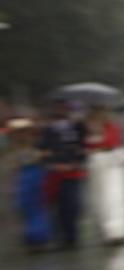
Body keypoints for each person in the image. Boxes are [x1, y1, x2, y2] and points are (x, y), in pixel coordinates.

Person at [39, 99, 87, 248]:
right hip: (55, 173)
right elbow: (43, 150)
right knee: (58, 207)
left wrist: (76, 162)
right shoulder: (49, 130)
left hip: (72, 172)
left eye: (64, 109)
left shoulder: (77, 127)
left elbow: (83, 147)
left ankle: (72, 235)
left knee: (73, 205)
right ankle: (62, 237)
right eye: (58, 108)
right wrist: (52, 163)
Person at [85, 105, 124, 244]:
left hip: (111, 164)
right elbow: (87, 146)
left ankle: (118, 230)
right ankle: (106, 230)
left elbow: (112, 143)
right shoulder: (88, 130)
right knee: (100, 198)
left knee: (115, 197)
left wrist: (99, 139)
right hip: (96, 165)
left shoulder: (111, 127)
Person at [7, 118, 50, 249]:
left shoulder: (34, 145)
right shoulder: (16, 148)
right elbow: (15, 164)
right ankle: (33, 236)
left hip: (34, 176)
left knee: (36, 207)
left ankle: (38, 237)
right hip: (25, 177)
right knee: (29, 207)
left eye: (24, 132)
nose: (22, 135)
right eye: (20, 132)